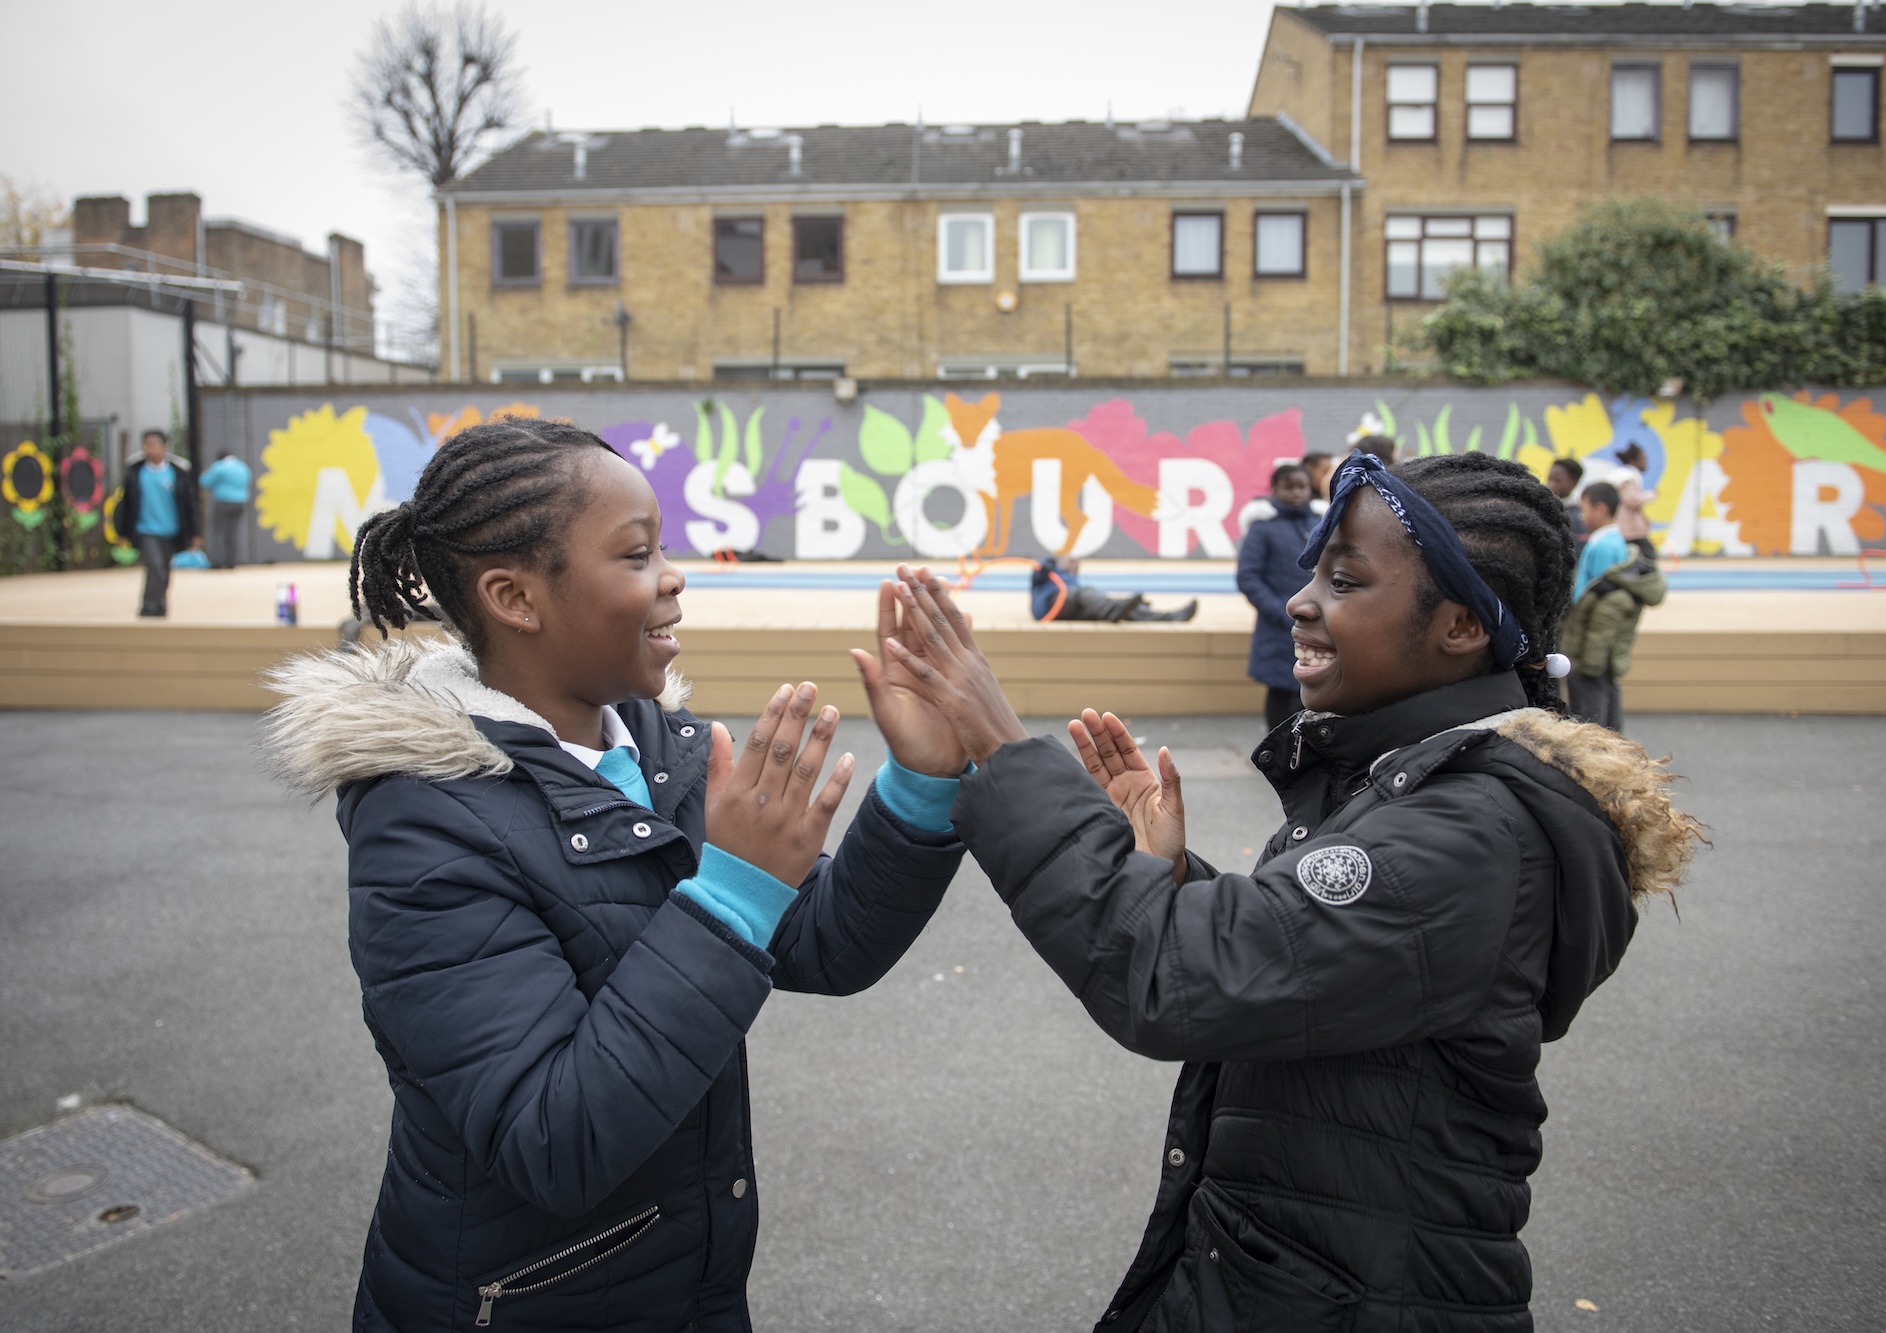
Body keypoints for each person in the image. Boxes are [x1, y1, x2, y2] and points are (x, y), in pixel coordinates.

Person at [871, 450, 1701, 1332]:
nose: (1303, 599)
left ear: (1460, 626)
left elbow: (1180, 975)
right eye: (1313, 571)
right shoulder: (1413, 787)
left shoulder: (1470, 834)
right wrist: (1171, 877)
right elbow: (1301, 956)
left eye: (1344, 580)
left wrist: (1003, 749)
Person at [264, 417, 969, 1331]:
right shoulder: (425, 826)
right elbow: (554, 1139)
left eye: (663, 547)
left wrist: (919, 784)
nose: (673, 576)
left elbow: (821, 943)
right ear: (516, 597)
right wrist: (727, 895)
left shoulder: (655, 747)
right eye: (637, 554)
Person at [1234, 463, 1317, 729]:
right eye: (1288, 487)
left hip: (1319, 626)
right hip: (1278, 630)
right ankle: (1277, 757)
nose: (1296, 493)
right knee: (1282, 695)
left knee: (1316, 691)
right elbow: (1248, 577)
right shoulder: (1262, 528)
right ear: (1275, 489)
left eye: (1301, 486)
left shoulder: (1321, 523)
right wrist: (1283, 614)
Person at [1561, 536, 1666, 735]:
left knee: (1590, 719)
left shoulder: (1613, 595)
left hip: (1591, 664)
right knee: (1609, 712)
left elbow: (1599, 635)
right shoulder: (1624, 591)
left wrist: (1585, 667)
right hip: (1605, 663)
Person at [111, 429, 201, 617]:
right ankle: (148, 608)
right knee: (155, 567)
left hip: (171, 531)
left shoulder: (178, 473)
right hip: (146, 530)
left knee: (165, 572)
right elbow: (125, 504)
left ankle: (160, 606)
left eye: (153, 445)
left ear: (164, 448)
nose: (148, 449)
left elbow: (189, 505)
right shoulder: (135, 473)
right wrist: (121, 532)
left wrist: (195, 532)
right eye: (146, 445)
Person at [1567, 482, 1632, 729]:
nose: (1581, 517)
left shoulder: (1602, 544)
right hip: (1600, 633)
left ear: (1601, 508)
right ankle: (1613, 741)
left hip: (1593, 633)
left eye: (1584, 509)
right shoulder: (1616, 540)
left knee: (1590, 693)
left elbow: (1602, 599)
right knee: (1606, 686)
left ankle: (1596, 746)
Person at [1032, 555, 1198, 622]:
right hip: (1049, 607)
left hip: (1071, 609)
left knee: (1126, 610)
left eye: (1076, 564)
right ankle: (1113, 609)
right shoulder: (1048, 573)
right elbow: (1037, 575)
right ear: (1060, 561)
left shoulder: (1074, 582)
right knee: (1086, 594)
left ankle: (1169, 617)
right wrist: (1048, 565)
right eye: (1070, 560)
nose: (1073, 564)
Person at [199, 449, 252, 569]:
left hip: (223, 501)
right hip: (240, 502)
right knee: (233, 533)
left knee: (217, 532)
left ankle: (217, 561)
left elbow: (205, 482)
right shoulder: (243, 467)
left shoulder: (219, 467)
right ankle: (231, 561)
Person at [1604, 443, 1657, 557]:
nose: (1645, 463)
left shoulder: (1622, 475)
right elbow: (1632, 500)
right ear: (1633, 461)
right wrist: (1651, 495)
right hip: (1629, 531)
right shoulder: (1626, 477)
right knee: (1647, 557)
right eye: (1643, 459)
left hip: (1627, 529)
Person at [1546, 457, 1587, 544]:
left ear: (1574, 482)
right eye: (1549, 479)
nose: (1551, 485)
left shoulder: (1579, 517)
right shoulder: (1542, 509)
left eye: (1557, 480)